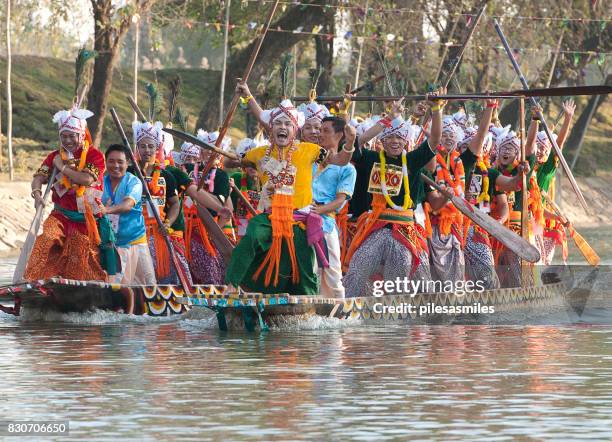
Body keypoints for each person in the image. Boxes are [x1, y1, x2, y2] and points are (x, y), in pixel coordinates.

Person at [225, 88, 354, 295]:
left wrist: (349, 144)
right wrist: (237, 158)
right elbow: (228, 161)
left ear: (295, 130)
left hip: (300, 221)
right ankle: (232, 286)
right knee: (251, 236)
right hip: (269, 218)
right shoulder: (259, 153)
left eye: (287, 124)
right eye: (278, 123)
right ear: (271, 129)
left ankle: (309, 302)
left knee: (305, 265)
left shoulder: (309, 150)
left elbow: (340, 160)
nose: (282, 127)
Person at [342, 96, 442, 298]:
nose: (395, 142)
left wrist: (437, 109)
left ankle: (400, 315)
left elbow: (435, 140)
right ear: (382, 141)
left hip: (405, 230)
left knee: (402, 269)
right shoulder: (371, 159)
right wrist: (389, 118)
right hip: (376, 227)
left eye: (399, 138)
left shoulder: (412, 161)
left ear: (405, 141)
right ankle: (349, 306)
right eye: (390, 137)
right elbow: (357, 145)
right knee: (358, 264)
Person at [131, 121, 230, 286]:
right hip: (135, 234)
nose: (147, 150)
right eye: (143, 146)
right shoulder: (130, 173)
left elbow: (195, 193)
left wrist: (220, 208)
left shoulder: (171, 173)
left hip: (168, 233)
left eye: (152, 146)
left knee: (176, 277)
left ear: (159, 148)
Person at [25, 106, 116, 282]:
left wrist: (62, 167)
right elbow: (38, 178)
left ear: (81, 136)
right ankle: (34, 280)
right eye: (63, 136)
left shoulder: (94, 155)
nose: (67, 140)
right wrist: (36, 194)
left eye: (71, 136)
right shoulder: (54, 156)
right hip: (60, 214)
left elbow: (86, 180)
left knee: (78, 255)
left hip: (85, 218)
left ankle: (81, 290)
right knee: (46, 239)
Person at [179, 129, 233, 285]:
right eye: (206, 149)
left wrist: (196, 192)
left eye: (214, 150)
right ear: (200, 151)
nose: (210, 153)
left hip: (206, 228)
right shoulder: (188, 169)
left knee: (209, 266)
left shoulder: (222, 176)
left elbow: (219, 202)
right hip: (184, 226)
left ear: (219, 154)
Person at [312, 116, 357, 298]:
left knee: (331, 273)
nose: (319, 134)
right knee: (308, 269)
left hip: (324, 224)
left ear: (339, 135)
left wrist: (316, 211)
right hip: (299, 217)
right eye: (319, 130)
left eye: (325, 131)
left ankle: (340, 312)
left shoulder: (347, 169)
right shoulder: (309, 159)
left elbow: (340, 201)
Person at [101, 144, 156, 285]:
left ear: (128, 163)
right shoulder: (100, 182)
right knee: (113, 288)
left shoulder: (134, 182)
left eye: (120, 162)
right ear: (106, 162)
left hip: (134, 241)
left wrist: (106, 210)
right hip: (109, 244)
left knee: (147, 287)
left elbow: (127, 205)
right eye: (111, 161)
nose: (115, 166)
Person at [535, 100, 576, 264]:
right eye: (538, 148)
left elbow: (558, 146)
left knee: (541, 263)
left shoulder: (546, 169)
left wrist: (567, 119)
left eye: (544, 149)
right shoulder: (525, 166)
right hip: (520, 220)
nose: (540, 152)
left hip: (540, 222)